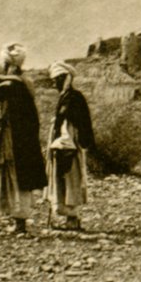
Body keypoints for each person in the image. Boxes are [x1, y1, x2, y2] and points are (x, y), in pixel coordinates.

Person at [0, 43, 47, 235]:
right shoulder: (25, 84)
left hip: (11, 141)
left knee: (14, 177)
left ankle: (18, 223)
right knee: (21, 178)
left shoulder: (8, 86)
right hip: (24, 140)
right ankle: (18, 220)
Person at [46, 61, 95, 231]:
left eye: (57, 80)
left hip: (70, 145)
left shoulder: (74, 98)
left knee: (71, 179)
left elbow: (77, 124)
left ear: (64, 79)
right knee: (63, 180)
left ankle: (73, 219)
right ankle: (69, 217)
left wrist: (67, 143)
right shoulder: (65, 97)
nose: (54, 83)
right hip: (63, 144)